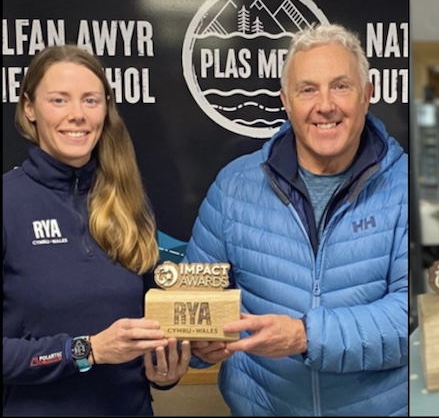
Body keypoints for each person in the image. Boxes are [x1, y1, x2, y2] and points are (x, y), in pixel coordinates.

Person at [184, 23, 408, 416]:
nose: (325, 104)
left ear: (367, 95)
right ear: (286, 101)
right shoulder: (234, 187)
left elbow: (413, 319)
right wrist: (199, 346)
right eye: (308, 89)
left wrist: (306, 336)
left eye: (341, 86)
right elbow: (194, 303)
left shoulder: (408, 187)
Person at [3, 45, 191, 416]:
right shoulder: (8, 202)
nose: (77, 115)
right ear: (29, 108)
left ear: (106, 109)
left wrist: (164, 368)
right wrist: (87, 351)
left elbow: (155, 321)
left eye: (91, 100)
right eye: (59, 100)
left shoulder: (129, 201)